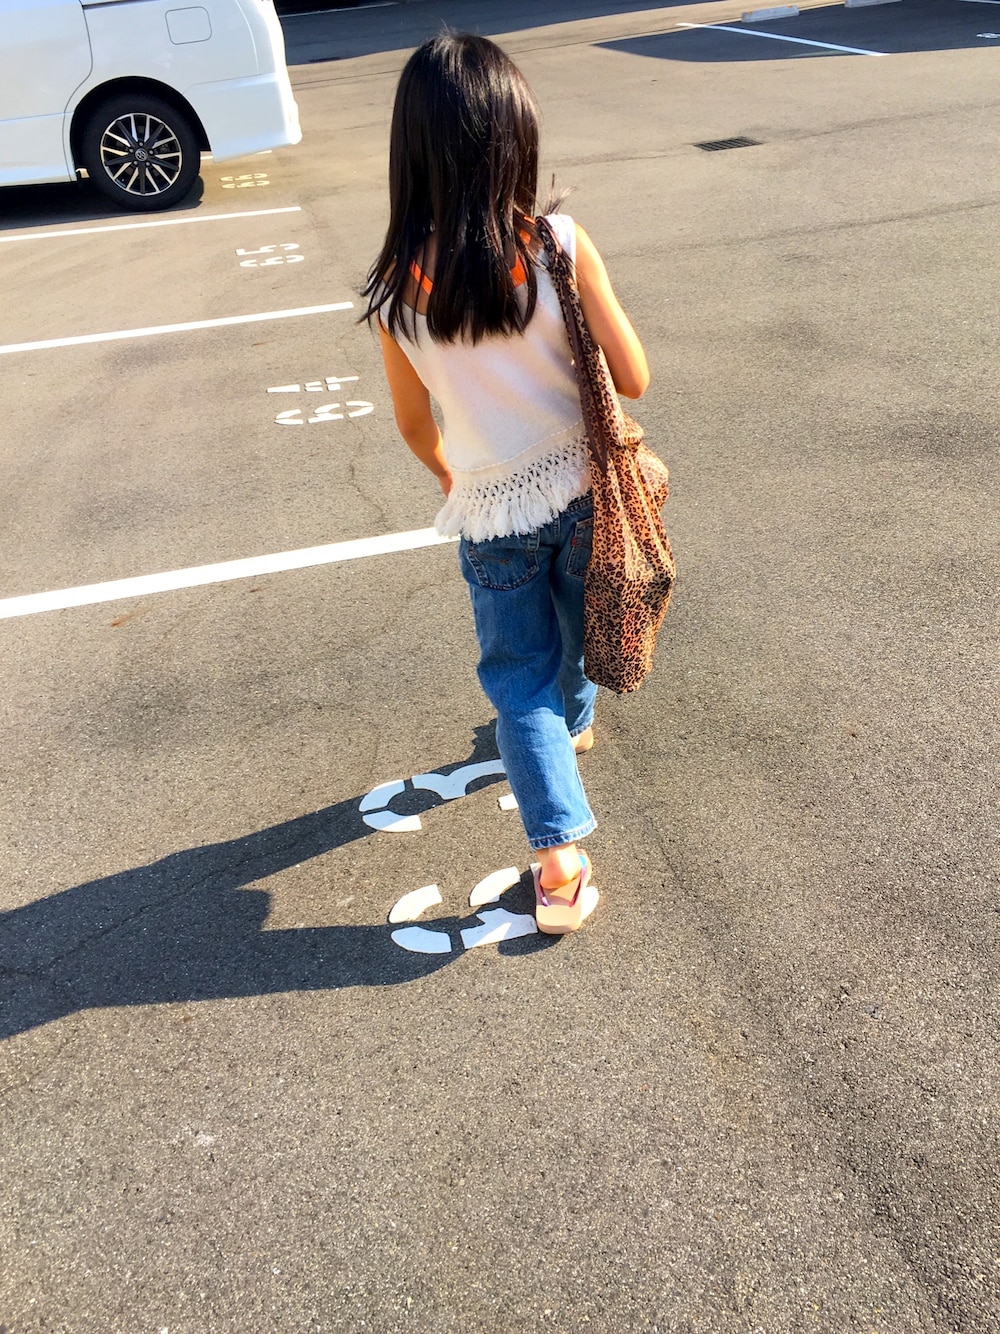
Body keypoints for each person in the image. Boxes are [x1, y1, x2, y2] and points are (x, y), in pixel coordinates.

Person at [364, 33, 649, 934]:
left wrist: (459, 477)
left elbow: (414, 424)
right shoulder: (558, 244)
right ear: (514, 138)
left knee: (517, 677)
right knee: (578, 617)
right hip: (586, 490)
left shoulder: (395, 292)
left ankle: (558, 865)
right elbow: (634, 376)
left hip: (492, 515)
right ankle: (575, 722)